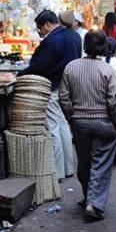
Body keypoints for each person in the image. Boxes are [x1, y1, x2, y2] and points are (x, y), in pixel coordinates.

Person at [59, 31, 116, 221]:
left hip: (80, 123)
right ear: (104, 47)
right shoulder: (108, 70)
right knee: (101, 164)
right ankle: (94, 204)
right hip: (104, 122)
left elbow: (63, 98)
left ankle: (88, 196)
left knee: (84, 162)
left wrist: (71, 118)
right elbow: (112, 102)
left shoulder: (71, 67)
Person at [20, 9, 82, 179]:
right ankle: (68, 168)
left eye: (40, 28)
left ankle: (57, 172)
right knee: (62, 126)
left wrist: (22, 73)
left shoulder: (53, 40)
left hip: (53, 87)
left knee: (53, 127)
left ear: (47, 24)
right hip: (68, 87)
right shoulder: (74, 36)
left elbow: (39, 65)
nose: (40, 32)